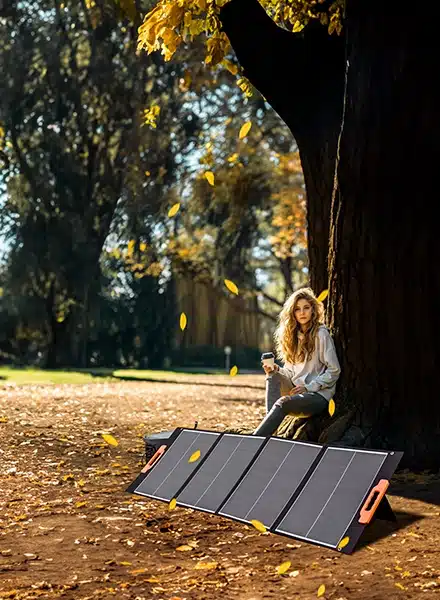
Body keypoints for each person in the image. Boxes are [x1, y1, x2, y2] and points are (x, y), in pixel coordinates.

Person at [253, 287, 341, 437]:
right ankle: (269, 434)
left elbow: (334, 370)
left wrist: (307, 387)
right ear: (292, 313)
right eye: (297, 309)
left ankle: (256, 441)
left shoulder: (321, 334)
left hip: (317, 396)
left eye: (306, 308)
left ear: (313, 310)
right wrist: (276, 369)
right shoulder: (292, 337)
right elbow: (290, 372)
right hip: (295, 391)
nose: (302, 312)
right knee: (273, 375)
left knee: (284, 403)